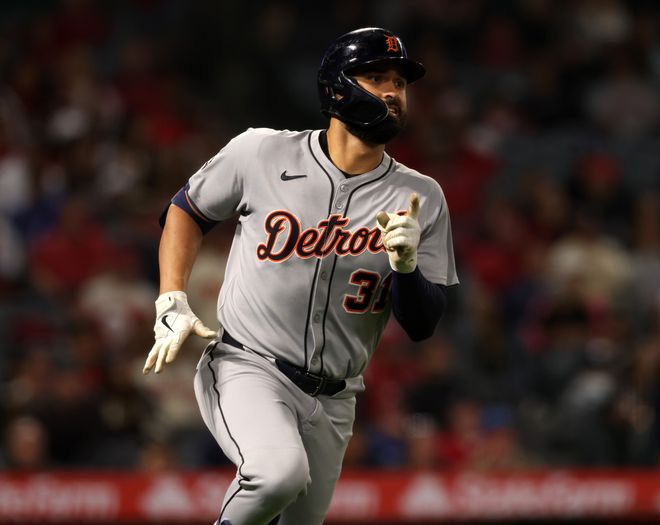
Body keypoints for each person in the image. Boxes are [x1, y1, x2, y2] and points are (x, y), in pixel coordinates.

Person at [142, 27, 458, 525]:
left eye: (400, 82)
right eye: (377, 78)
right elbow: (186, 210)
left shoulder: (422, 196)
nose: (393, 92)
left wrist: (406, 268)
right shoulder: (261, 153)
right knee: (277, 475)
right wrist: (171, 297)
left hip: (335, 398)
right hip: (249, 365)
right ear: (338, 87)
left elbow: (423, 324)